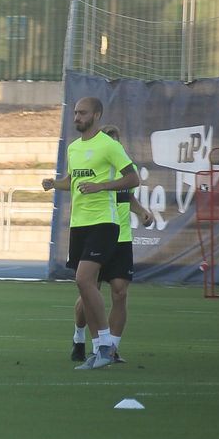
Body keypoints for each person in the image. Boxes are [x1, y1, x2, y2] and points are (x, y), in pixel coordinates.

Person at [41, 96, 139, 370]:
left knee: (86, 280)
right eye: (75, 113)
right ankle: (99, 349)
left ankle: (106, 345)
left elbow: (133, 178)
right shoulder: (73, 148)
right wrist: (55, 183)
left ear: (96, 115)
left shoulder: (109, 145)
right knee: (85, 285)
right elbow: (73, 181)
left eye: (82, 113)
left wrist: (102, 186)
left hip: (104, 223)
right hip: (79, 224)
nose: (76, 117)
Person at [66, 125, 150, 364]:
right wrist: (55, 183)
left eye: (116, 143)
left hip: (121, 238)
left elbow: (129, 197)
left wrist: (142, 212)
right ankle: (81, 338)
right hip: (100, 233)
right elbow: (72, 181)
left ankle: (111, 348)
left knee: (120, 293)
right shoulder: (94, 171)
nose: (113, 147)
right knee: (88, 289)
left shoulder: (122, 176)